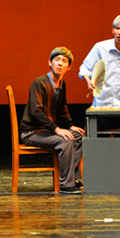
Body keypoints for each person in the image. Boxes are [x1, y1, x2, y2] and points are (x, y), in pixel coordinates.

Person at [20, 47, 86, 194]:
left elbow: (62, 108)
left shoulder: (62, 84)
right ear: (50, 63)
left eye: (64, 61)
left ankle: (73, 177)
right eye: (57, 60)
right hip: (32, 132)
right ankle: (66, 184)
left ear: (69, 67)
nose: (60, 64)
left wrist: (70, 126)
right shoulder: (39, 83)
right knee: (65, 141)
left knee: (78, 137)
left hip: (46, 131)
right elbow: (36, 111)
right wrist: (56, 129)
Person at [79, 14, 120, 107]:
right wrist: (88, 81)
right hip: (102, 102)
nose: (119, 32)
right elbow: (84, 68)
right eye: (117, 28)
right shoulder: (100, 47)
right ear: (112, 30)